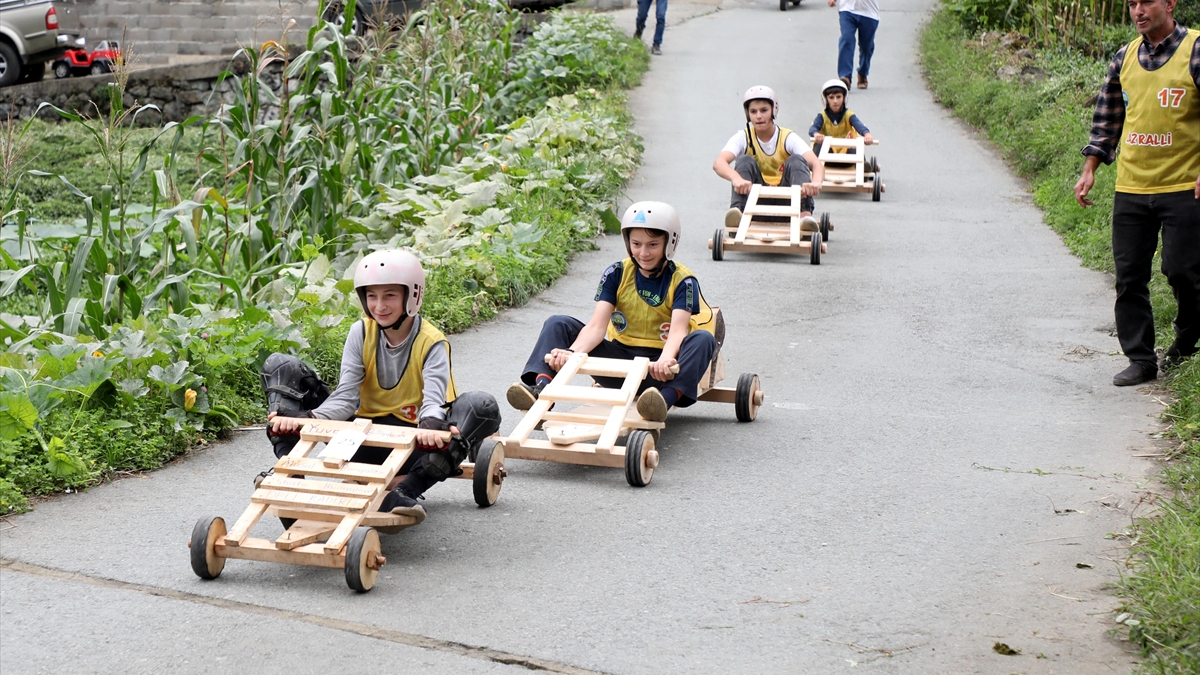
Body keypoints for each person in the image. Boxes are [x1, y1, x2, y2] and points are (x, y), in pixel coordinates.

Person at [263, 250, 502, 523]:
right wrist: (306, 418)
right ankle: (290, 478)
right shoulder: (361, 331)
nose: (379, 306)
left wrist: (432, 427)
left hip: (413, 442)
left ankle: (405, 491)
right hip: (359, 436)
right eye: (372, 296)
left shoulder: (432, 341)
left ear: (411, 296)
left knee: (481, 406)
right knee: (281, 369)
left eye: (390, 295)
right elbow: (345, 398)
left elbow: (433, 401)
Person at [1074, 0, 1200, 387]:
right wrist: (1090, 167)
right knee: (1129, 277)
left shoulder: (1195, 50)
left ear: (1170, 4)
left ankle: (1187, 341)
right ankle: (1141, 358)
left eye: (1146, 2)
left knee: (1184, 272)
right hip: (1132, 186)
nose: (1138, 10)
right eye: (1131, 3)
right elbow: (1107, 116)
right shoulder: (1124, 57)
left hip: (1184, 186)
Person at [506, 201, 717, 423]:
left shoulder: (683, 280)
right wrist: (571, 353)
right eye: (636, 244)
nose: (643, 252)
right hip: (618, 366)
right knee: (557, 322)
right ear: (628, 242)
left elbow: (677, 332)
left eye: (653, 244)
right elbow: (597, 327)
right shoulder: (617, 273)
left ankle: (661, 403)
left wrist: (664, 361)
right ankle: (542, 389)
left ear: (669, 243)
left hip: (659, 374)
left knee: (704, 339)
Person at [712, 85, 824, 232]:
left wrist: (815, 183)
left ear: (773, 110)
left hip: (789, 204)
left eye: (764, 110)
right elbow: (719, 163)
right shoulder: (744, 137)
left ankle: (804, 217)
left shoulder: (787, 137)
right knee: (744, 160)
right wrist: (736, 178)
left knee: (797, 160)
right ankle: (738, 214)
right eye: (753, 111)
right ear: (748, 115)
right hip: (756, 204)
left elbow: (816, 164)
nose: (758, 116)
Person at [809, 78, 875, 159]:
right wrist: (816, 134)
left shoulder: (849, 114)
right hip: (827, 157)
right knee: (818, 145)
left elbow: (859, 125)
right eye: (831, 97)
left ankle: (864, 166)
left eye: (838, 97)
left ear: (844, 98)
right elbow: (813, 128)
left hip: (847, 158)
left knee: (855, 145)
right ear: (826, 99)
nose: (835, 101)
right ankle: (813, 165)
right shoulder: (822, 116)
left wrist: (867, 134)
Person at [829, 0, 880, 89]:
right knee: (846, 39)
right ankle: (845, 77)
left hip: (869, 12)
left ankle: (863, 72)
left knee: (866, 46)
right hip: (847, 10)